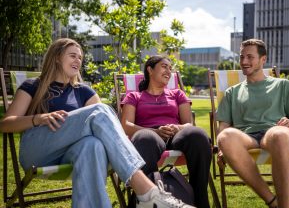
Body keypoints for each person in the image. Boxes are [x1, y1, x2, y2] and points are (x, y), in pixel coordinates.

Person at [0, 38, 194, 208]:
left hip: (68, 154)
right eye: (72, 55)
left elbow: (107, 122)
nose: (78, 60)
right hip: (38, 151)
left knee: (91, 144)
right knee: (100, 111)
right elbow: (6, 124)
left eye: (80, 58)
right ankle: (146, 191)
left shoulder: (83, 91)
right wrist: (38, 118)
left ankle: (139, 191)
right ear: (57, 57)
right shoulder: (33, 86)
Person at [216, 39, 289, 208]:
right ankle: (273, 201)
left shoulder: (282, 85)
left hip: (278, 133)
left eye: (250, 57)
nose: (244, 62)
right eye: (242, 57)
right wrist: (222, 147)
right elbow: (223, 126)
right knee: (225, 136)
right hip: (247, 138)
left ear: (263, 59)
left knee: (279, 134)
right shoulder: (232, 92)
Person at [121, 55, 212, 208]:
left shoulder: (177, 94)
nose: (168, 71)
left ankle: (200, 201)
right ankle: (147, 199)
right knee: (145, 138)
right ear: (150, 70)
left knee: (198, 135)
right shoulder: (134, 96)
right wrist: (154, 131)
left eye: (170, 68)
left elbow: (189, 123)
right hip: (149, 136)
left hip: (176, 135)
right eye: (164, 66)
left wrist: (178, 128)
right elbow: (126, 125)